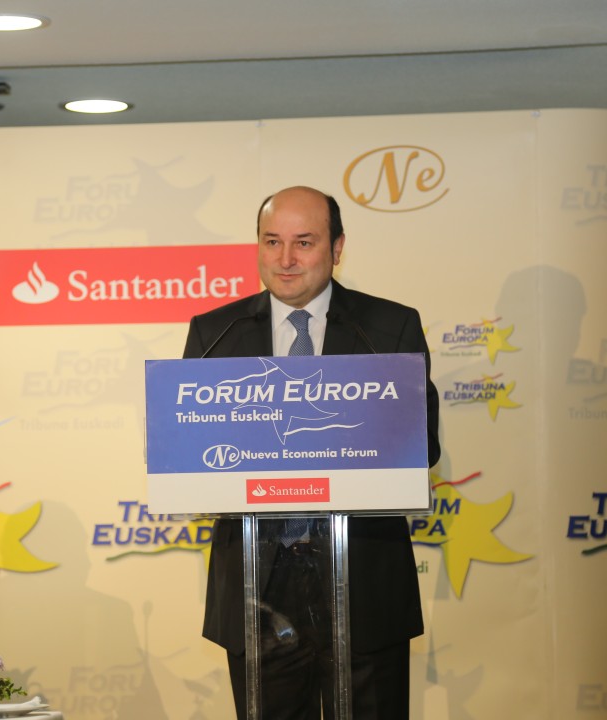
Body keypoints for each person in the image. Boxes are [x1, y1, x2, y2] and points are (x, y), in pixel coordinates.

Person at [183, 186, 441, 719]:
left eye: (304, 242)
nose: (285, 259)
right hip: (258, 584)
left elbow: (423, 446)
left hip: (363, 579)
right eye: (271, 242)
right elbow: (191, 454)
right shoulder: (216, 333)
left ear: (337, 248)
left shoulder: (388, 327)